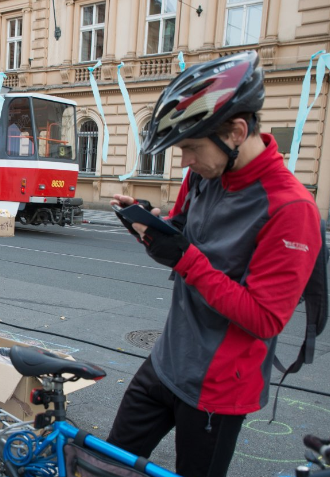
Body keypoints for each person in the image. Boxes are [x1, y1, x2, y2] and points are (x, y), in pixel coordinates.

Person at [107, 51, 322, 477]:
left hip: (219, 390)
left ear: (237, 132)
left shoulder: (290, 208)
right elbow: (182, 233)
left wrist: (186, 259)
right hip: (167, 360)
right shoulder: (205, 175)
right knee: (105, 464)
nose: (184, 161)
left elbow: (265, 318)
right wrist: (150, 227)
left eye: (190, 147)